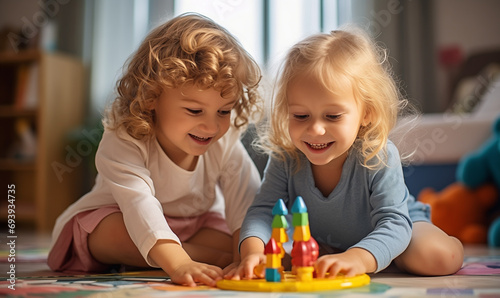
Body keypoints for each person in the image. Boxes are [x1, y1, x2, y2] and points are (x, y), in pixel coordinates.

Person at [226, 28, 464, 280]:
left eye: (333, 116)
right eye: (301, 116)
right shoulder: (286, 157)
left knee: (437, 257)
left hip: (399, 226)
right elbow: (263, 210)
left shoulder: (377, 155)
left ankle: (398, 253)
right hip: (328, 243)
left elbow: (394, 222)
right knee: (286, 258)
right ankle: (360, 255)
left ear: (367, 113)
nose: (315, 129)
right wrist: (253, 252)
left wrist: (358, 257)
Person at [48, 13, 263, 287]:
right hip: (121, 217)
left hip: (195, 224)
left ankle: (206, 255)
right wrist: (179, 262)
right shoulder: (126, 138)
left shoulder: (225, 140)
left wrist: (250, 255)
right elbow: (139, 204)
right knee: (110, 234)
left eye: (223, 111)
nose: (211, 126)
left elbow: (246, 200)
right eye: (195, 110)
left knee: (239, 238)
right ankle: (203, 257)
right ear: (151, 97)